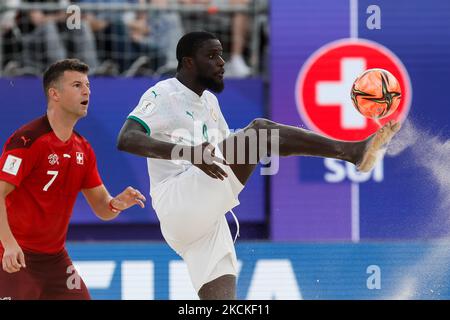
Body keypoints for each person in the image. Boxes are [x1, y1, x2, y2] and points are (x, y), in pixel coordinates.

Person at [117, 31, 401, 299]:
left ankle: (354, 152)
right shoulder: (163, 93)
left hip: (205, 222)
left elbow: (229, 148)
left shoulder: (210, 103)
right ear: (189, 62)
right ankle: (352, 152)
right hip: (178, 200)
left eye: (221, 55)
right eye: (212, 56)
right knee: (261, 132)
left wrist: (238, 146)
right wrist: (189, 152)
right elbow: (127, 138)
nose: (222, 62)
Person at [0, 59, 146, 300]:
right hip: (14, 255)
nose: (87, 90)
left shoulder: (83, 148)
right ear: (54, 94)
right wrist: (9, 244)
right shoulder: (28, 140)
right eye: (77, 85)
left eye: (88, 85)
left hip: (55, 260)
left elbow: (102, 208)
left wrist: (117, 204)